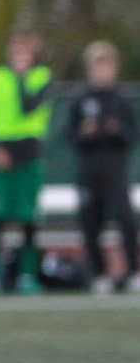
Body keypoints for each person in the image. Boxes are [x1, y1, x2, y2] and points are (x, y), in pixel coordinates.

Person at [0, 32, 52, 296]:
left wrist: (21, 79)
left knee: (28, 217)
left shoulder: (41, 79)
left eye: (25, 52)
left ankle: (27, 274)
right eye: (16, 51)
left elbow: (29, 107)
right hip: (0, 155)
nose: (20, 57)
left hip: (29, 156)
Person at [67, 40, 138, 293]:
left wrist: (117, 131)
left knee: (126, 221)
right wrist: (86, 133)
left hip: (115, 172)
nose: (102, 71)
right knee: (90, 224)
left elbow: (132, 136)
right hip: (88, 172)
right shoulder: (80, 99)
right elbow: (70, 137)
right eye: (97, 66)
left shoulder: (121, 100)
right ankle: (98, 274)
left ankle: (131, 273)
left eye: (106, 65)